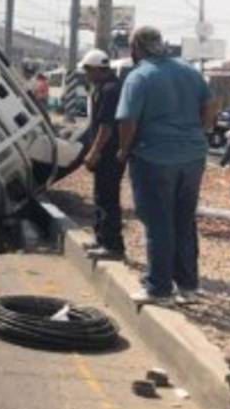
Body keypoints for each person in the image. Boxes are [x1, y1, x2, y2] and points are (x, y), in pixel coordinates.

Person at [116, 26, 215, 304]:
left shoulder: (139, 76)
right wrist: (198, 132)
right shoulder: (189, 71)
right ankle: (188, 285)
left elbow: (127, 120)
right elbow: (210, 106)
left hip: (154, 157)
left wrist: (124, 150)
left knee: (158, 222)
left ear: (135, 48)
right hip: (193, 157)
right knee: (184, 220)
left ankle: (159, 287)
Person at [80, 49, 125, 260]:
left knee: (108, 198)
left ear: (99, 70)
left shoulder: (110, 90)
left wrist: (94, 151)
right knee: (100, 196)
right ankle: (101, 239)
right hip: (105, 153)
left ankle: (112, 245)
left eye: (88, 70)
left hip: (108, 154)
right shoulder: (102, 88)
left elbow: (106, 126)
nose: (87, 75)